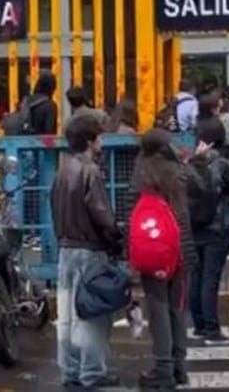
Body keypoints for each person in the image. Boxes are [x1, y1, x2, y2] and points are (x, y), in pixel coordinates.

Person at [51, 115, 124, 388]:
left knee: (67, 316)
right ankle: (92, 373)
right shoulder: (90, 172)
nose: (102, 142)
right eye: (99, 137)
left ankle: (70, 371)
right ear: (90, 141)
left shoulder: (62, 170)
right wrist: (116, 238)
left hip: (65, 250)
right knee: (92, 317)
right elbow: (102, 214)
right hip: (89, 250)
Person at [134, 129, 197, 389]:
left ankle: (163, 367)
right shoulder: (179, 172)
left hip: (153, 251)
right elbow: (201, 190)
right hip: (181, 250)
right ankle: (179, 366)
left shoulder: (140, 175)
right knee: (177, 309)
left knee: (157, 309)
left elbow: (133, 215)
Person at [186, 118, 229, 346]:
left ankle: (199, 325)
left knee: (196, 276)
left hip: (193, 226)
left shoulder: (189, 163)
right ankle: (212, 329)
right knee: (211, 279)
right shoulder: (222, 165)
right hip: (217, 226)